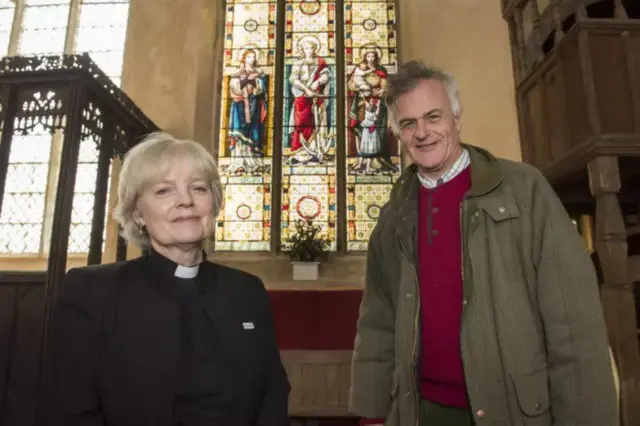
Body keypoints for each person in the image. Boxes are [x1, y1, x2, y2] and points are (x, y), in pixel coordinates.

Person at [349, 61, 618, 426]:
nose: (422, 132)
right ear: (397, 133)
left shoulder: (524, 190)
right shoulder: (394, 214)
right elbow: (377, 322)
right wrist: (373, 414)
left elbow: (573, 322)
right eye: (409, 123)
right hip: (419, 412)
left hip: (513, 412)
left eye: (433, 116)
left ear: (457, 118)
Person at [40, 132, 291, 426]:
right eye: (163, 191)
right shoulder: (91, 292)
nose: (185, 201)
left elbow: (272, 397)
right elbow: (70, 410)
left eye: (198, 188)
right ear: (138, 214)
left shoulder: (247, 290)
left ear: (215, 203)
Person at [287, 36, 332, 165]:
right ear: (302, 49)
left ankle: (315, 151)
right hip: (302, 97)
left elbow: (326, 75)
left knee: (317, 123)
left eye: (311, 47)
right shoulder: (298, 63)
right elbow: (293, 79)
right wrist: (305, 89)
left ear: (315, 49)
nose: (309, 50)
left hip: (316, 98)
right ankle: (300, 153)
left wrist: (317, 82)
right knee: (300, 124)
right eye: (306, 48)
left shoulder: (320, 62)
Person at [227, 48, 268, 174]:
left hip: (253, 104)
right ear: (243, 58)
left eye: (254, 56)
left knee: (253, 132)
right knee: (239, 133)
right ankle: (239, 163)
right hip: (239, 105)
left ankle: (253, 162)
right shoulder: (237, 73)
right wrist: (242, 86)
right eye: (249, 56)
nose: (252, 59)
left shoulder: (258, 73)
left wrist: (255, 85)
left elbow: (262, 88)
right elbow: (234, 87)